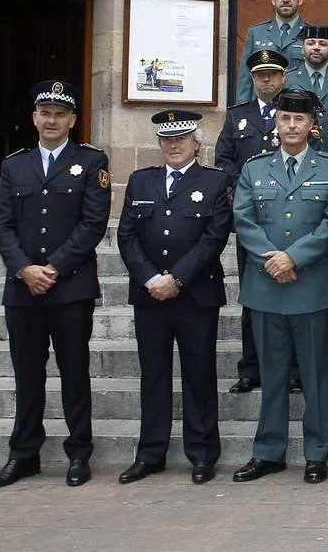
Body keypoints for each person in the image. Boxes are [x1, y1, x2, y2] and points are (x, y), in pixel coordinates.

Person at [0, 80, 110, 490]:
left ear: (73, 120)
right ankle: (24, 454)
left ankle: (78, 454)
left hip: (70, 287)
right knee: (27, 374)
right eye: (45, 113)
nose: (52, 120)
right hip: (22, 288)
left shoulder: (91, 161)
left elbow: (93, 223)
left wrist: (52, 268)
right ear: (34, 117)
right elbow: (3, 224)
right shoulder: (13, 165)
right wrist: (24, 269)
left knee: (74, 372)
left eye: (60, 114)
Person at [230, 89, 328, 484]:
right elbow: (243, 220)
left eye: (299, 119)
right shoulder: (254, 168)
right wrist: (272, 259)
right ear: (275, 124)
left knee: (314, 376)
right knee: (272, 374)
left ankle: (317, 453)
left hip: (309, 284)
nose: (291, 126)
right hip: (266, 285)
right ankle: (268, 452)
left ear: (313, 125)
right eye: (284, 119)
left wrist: (293, 257)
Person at [116, 110, 233, 485]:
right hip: (150, 295)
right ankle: (151, 453)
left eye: (181, 139)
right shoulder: (140, 181)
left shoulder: (214, 183)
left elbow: (214, 237)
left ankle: (201, 455)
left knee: (199, 376)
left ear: (197, 143)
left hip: (195, 294)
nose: (174, 145)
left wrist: (177, 278)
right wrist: (151, 278)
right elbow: (127, 236)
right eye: (167, 139)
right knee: (153, 376)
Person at [216, 49, 292, 394]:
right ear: (252, 78)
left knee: (293, 297)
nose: (266, 80)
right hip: (252, 224)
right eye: (260, 75)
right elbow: (224, 162)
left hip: (291, 220)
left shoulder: (297, 112)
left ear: (283, 78)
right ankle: (251, 368)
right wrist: (243, 198)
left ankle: (292, 370)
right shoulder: (237, 117)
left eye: (272, 74)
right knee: (253, 296)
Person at [235, 0, 309, 103]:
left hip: (296, 108)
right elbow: (246, 78)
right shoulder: (256, 32)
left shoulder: (311, 34)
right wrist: (243, 112)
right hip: (262, 108)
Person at [284, 24, 328, 144]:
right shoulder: (287, 79)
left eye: (322, 44)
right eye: (311, 43)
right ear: (302, 48)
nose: (316, 48)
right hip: (298, 150)